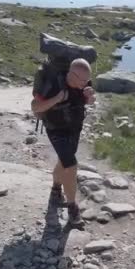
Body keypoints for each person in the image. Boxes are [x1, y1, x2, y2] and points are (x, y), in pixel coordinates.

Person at [31, 58, 96, 227]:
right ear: (71, 74)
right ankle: (72, 208)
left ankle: (55, 190)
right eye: (82, 81)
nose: (85, 84)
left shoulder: (83, 85)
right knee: (71, 165)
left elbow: (86, 101)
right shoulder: (53, 84)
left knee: (63, 161)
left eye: (87, 80)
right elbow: (35, 107)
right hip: (56, 130)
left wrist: (89, 98)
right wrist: (57, 98)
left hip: (74, 129)